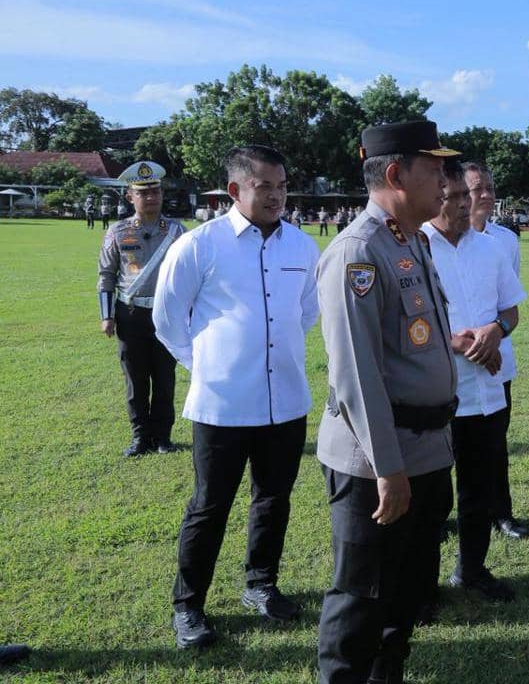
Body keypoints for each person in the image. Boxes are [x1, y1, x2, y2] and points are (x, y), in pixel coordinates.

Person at [153, 145, 320, 649]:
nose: (276, 195)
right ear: (235, 190)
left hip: (286, 399)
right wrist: (206, 365)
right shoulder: (199, 246)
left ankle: (261, 584)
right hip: (222, 404)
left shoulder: (302, 246)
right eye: (264, 186)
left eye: (283, 185)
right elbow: (167, 319)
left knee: (274, 500)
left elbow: (306, 313)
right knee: (210, 506)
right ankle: (189, 607)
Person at [314, 120, 459, 684]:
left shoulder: (412, 240)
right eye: (435, 168)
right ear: (396, 173)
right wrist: (389, 468)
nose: (445, 181)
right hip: (378, 461)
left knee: (408, 590)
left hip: (426, 450)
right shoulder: (357, 250)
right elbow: (356, 375)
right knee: (361, 595)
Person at [423, 162, 527, 602]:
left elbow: (512, 310)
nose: (466, 205)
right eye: (455, 198)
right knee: (431, 497)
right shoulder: (414, 248)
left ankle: (472, 569)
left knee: (479, 488)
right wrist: (453, 341)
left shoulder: (490, 250)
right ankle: (420, 585)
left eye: (468, 197)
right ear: (434, 200)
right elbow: (404, 324)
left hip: (487, 389)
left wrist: (494, 332)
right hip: (436, 392)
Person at [462, 161, 529, 540]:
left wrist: (495, 335)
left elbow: (510, 297)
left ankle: (500, 512)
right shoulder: (427, 238)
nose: (487, 195)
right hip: (452, 360)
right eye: (478, 189)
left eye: (490, 187)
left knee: (495, 443)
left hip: (497, 358)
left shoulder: (505, 240)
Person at [97, 161, 187, 456]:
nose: (151, 197)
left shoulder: (177, 231)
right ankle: (140, 438)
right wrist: (106, 316)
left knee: (165, 377)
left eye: (156, 192)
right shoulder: (118, 232)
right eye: (143, 193)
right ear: (130, 197)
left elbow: (189, 275)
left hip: (166, 315)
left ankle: (162, 438)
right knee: (135, 380)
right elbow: (106, 275)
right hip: (131, 314)